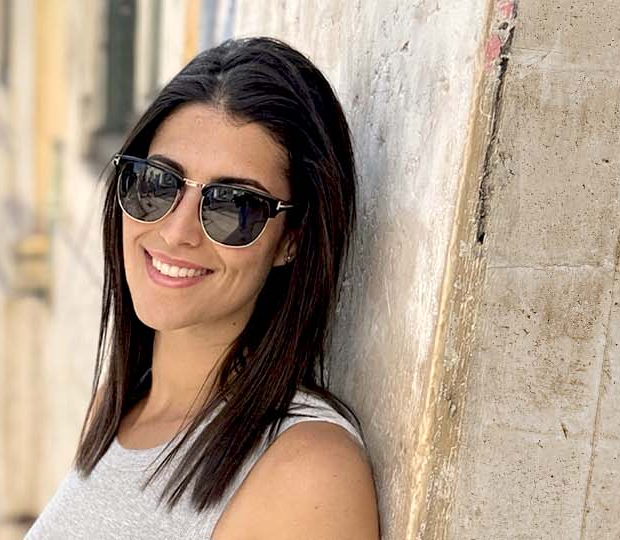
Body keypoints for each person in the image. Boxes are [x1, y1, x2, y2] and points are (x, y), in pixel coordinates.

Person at [26, 38, 378, 539]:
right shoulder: (118, 409)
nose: (176, 231)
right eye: (158, 183)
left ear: (291, 240)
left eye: (233, 206)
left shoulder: (306, 473)